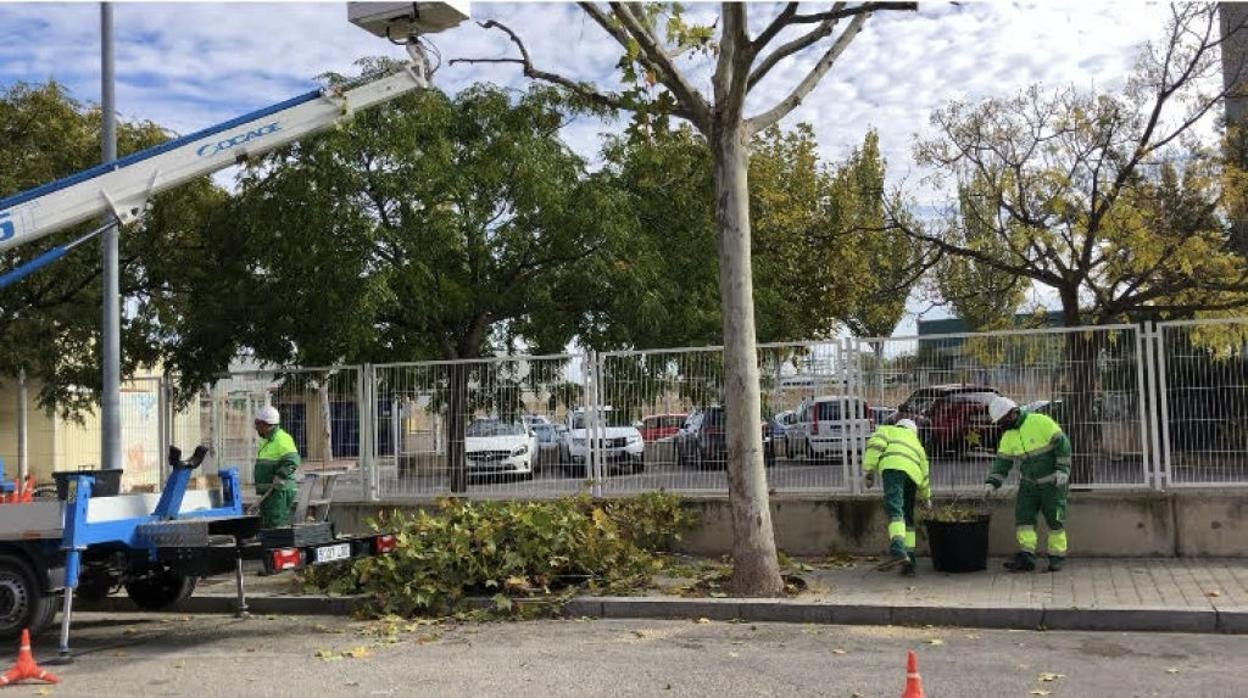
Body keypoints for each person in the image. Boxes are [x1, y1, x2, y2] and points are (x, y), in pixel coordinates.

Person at [983, 396, 1072, 573]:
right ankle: (1027, 557)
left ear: (1012, 414)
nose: (1000, 425)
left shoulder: (1040, 421)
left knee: (1055, 521)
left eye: (1001, 421)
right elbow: (1003, 462)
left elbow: (1063, 444)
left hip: (1052, 483)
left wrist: (1063, 469)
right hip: (1029, 485)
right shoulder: (1008, 436)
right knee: (1024, 520)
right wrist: (992, 482)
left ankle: (1057, 558)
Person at [863, 418, 931, 576]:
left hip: (893, 470)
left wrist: (869, 470)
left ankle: (898, 549)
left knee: (895, 509)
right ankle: (910, 563)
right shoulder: (917, 444)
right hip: (913, 476)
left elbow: (875, 446)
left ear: (899, 425)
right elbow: (925, 471)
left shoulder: (887, 430)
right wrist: (927, 497)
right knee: (907, 516)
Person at [252, 405, 300, 529]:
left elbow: (293, 460)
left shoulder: (281, 438)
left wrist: (281, 475)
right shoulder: (267, 440)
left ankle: (278, 547)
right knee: (268, 525)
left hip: (279, 492)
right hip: (271, 492)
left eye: (257, 423)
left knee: (275, 526)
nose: (255, 427)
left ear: (266, 424)